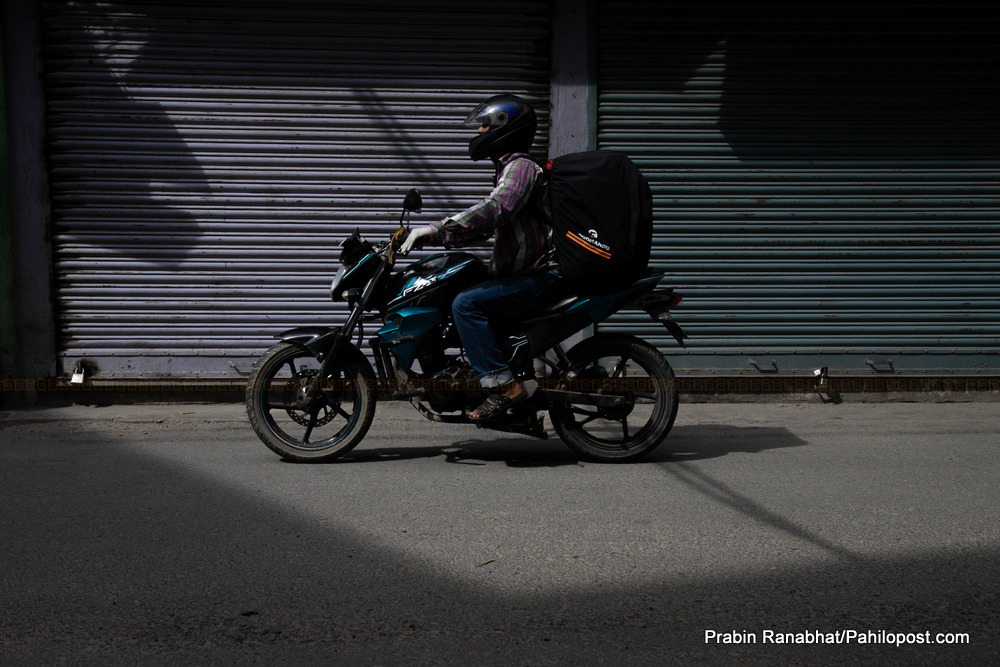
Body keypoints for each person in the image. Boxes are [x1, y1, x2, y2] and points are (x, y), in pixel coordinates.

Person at [400, 94, 563, 421]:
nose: (478, 130)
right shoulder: (510, 168)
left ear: (507, 128)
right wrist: (438, 236)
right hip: (526, 275)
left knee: (467, 304)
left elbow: (496, 209)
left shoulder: (520, 167)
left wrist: (434, 228)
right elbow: (490, 226)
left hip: (541, 276)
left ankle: (504, 387)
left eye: (485, 125)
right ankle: (516, 385)